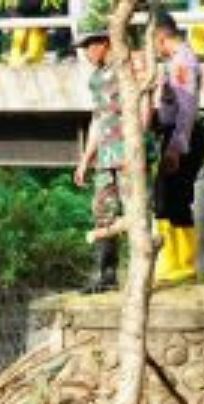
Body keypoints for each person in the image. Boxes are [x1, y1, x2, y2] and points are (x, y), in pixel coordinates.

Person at [153, 11, 204, 284]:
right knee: (164, 199)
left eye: (152, 40)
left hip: (183, 137)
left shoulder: (183, 62)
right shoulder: (177, 61)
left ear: (161, 37)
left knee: (176, 199)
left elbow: (186, 110)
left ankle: (184, 266)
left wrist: (176, 148)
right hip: (175, 134)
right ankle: (169, 263)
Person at [73, 22, 125, 295]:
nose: (85, 53)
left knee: (137, 210)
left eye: (88, 47)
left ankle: (147, 271)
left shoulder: (127, 68)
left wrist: (135, 150)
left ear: (103, 43)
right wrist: (85, 160)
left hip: (129, 154)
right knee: (102, 212)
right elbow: (97, 119)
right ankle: (106, 275)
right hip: (106, 155)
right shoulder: (96, 78)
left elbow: (142, 108)